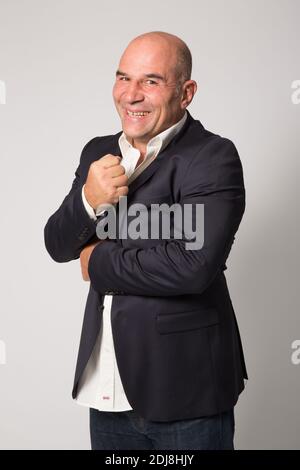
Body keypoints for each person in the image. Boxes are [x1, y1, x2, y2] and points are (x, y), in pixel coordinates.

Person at [44, 31, 247, 450]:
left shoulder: (212, 157)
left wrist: (96, 261)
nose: (130, 95)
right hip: (108, 391)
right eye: (123, 78)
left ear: (186, 92)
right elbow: (58, 244)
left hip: (187, 392)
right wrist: (88, 199)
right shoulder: (98, 153)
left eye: (151, 81)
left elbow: (192, 268)